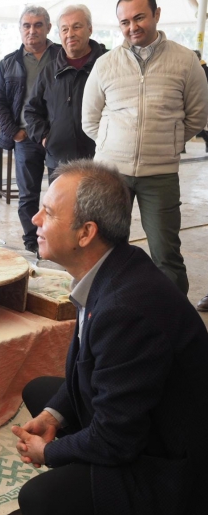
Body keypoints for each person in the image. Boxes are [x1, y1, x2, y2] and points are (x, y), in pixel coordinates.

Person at [12, 159, 208, 515]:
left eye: (49, 213)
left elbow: (117, 438)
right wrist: (54, 418)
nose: (36, 220)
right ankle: (83, 461)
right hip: (146, 421)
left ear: (85, 233)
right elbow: (90, 367)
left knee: (40, 501)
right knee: (43, 394)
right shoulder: (114, 265)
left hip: (174, 465)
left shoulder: (126, 310)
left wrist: (49, 452)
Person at [81, 0, 208, 294]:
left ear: (156, 15)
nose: (132, 27)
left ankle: (173, 328)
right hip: (111, 176)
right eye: (124, 22)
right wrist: (113, 145)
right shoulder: (106, 64)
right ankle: (105, 313)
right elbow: (89, 120)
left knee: (166, 254)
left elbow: (197, 115)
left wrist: (169, 142)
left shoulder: (185, 61)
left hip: (159, 174)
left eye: (139, 18)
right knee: (105, 250)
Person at [0, 5, 60, 256]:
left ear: (49, 28)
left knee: (60, 194)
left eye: (38, 25)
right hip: (25, 138)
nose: (32, 30)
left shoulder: (62, 57)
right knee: (28, 194)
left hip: (56, 138)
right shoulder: (9, 63)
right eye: (27, 26)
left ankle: (56, 239)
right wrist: (15, 132)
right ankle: (32, 240)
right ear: (20, 29)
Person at [24, 5, 103, 176]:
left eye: (77, 27)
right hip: (59, 162)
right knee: (61, 204)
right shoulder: (49, 71)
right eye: (65, 29)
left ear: (90, 29)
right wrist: (46, 138)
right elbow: (31, 111)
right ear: (59, 34)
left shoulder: (106, 64)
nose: (70, 34)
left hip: (100, 161)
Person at [192, 49, 208, 153]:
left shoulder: (204, 69)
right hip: (194, 100)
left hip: (202, 101)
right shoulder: (193, 69)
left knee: (200, 125)